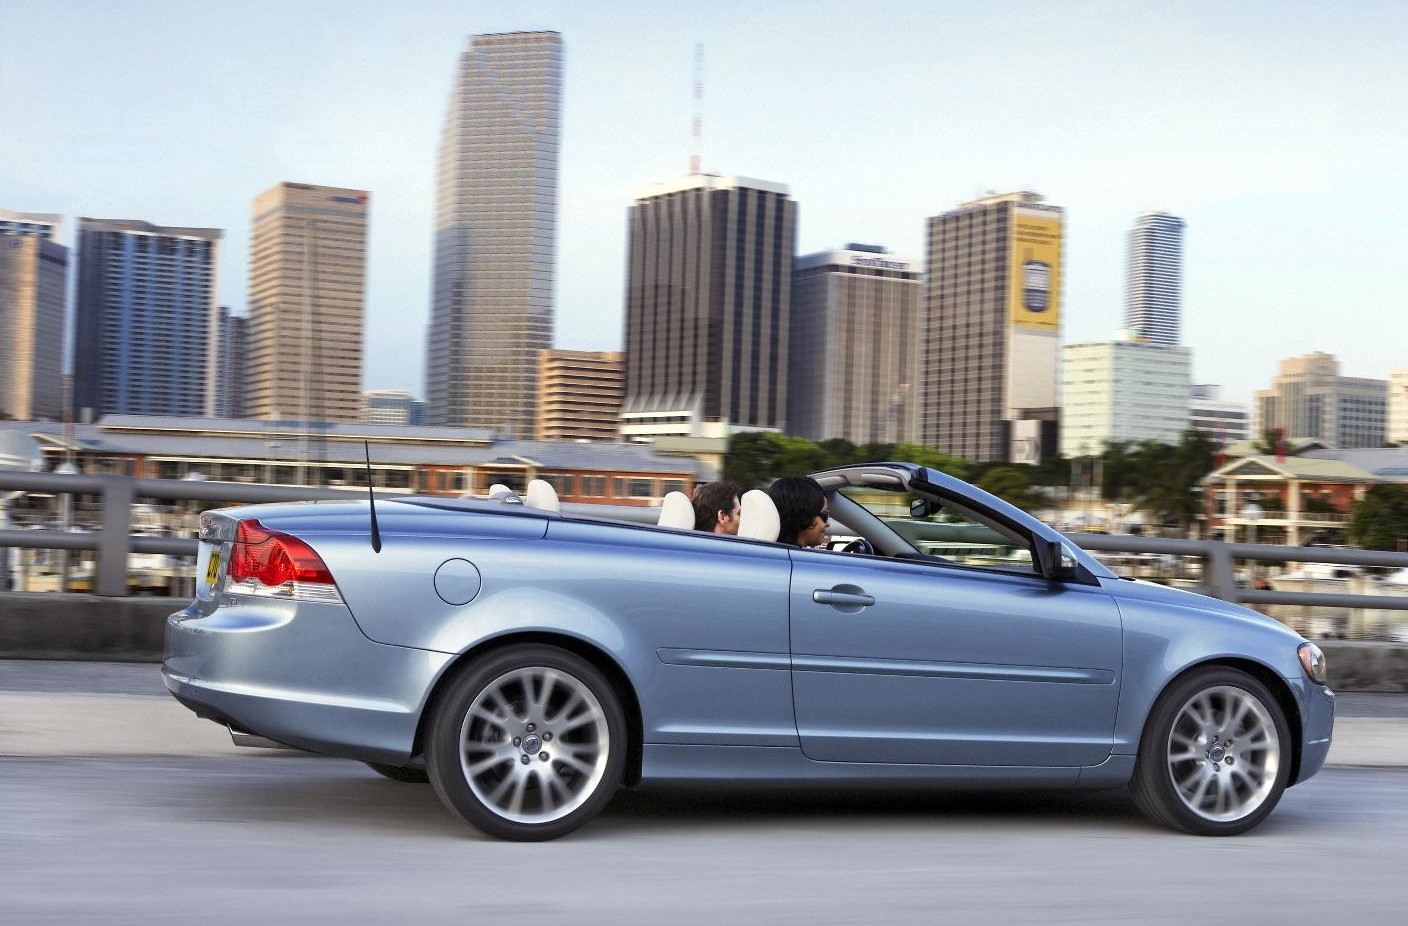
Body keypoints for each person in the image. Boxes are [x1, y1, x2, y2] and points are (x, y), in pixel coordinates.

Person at [767, 476, 829, 548]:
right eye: (825, 514)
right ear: (805, 516)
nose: (827, 524)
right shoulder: (791, 557)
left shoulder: (767, 551)